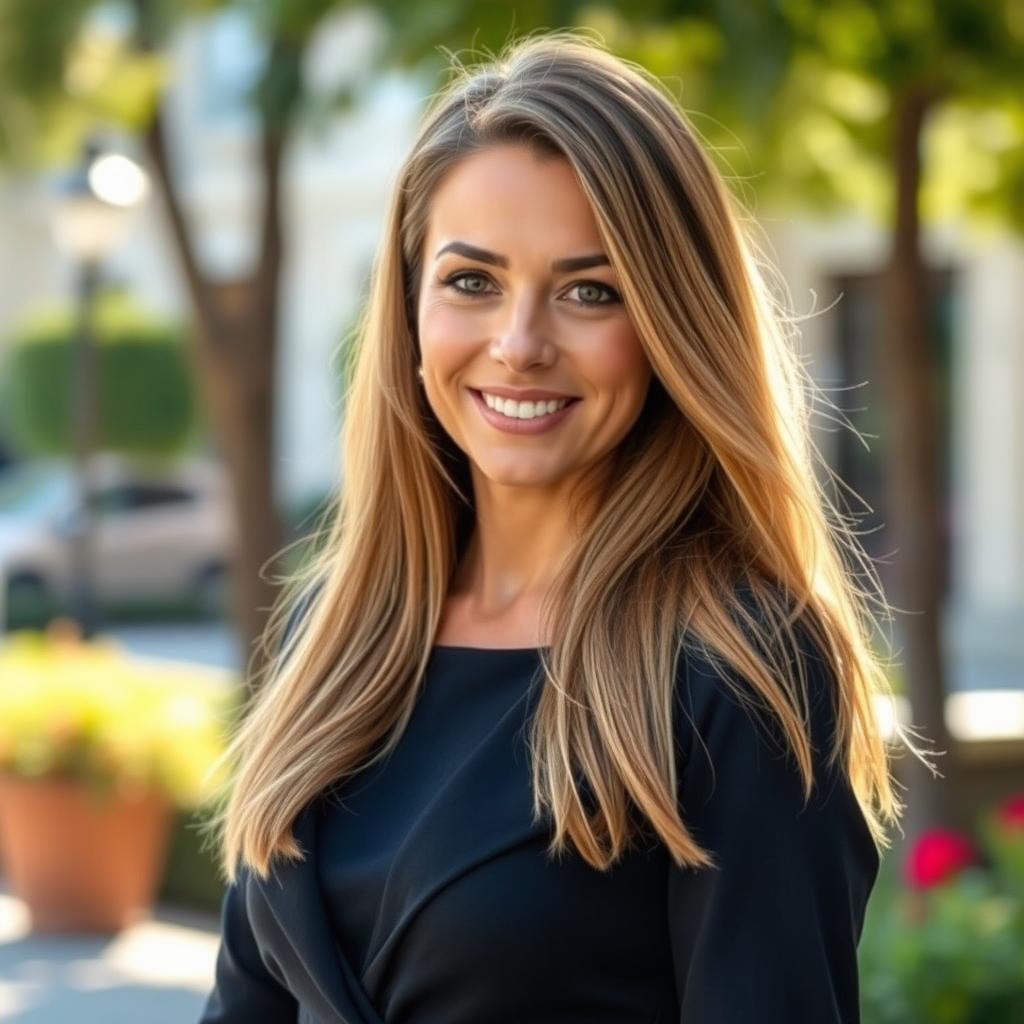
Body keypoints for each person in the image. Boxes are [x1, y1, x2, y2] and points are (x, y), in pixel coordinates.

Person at [198, 30, 924, 1023]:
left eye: (590, 291)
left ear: (671, 324)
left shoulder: (739, 672)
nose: (519, 343)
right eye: (471, 280)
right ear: (409, 310)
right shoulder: (331, 630)